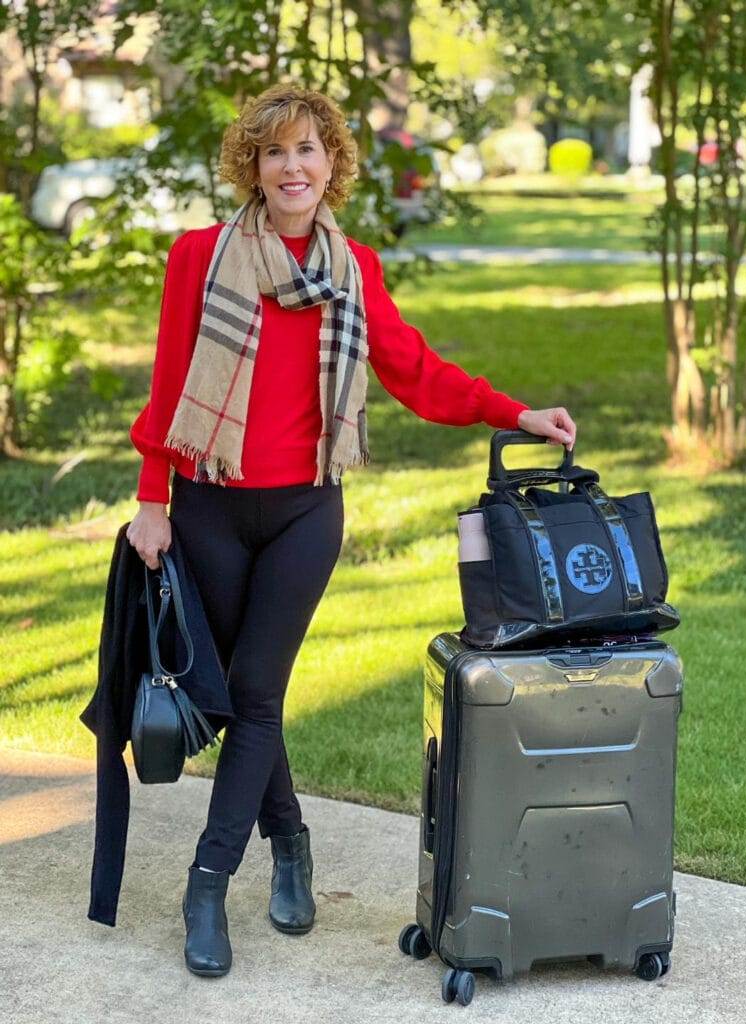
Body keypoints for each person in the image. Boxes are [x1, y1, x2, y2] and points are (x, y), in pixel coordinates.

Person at [125, 82, 577, 979]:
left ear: (332, 165)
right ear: (252, 167)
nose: (293, 167)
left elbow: (416, 371)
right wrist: (151, 498)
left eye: (309, 150)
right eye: (275, 152)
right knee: (247, 699)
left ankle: (206, 885)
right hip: (211, 503)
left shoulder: (353, 270)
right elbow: (173, 384)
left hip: (305, 510)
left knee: (254, 688)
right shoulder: (198, 259)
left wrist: (514, 412)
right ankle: (290, 842)